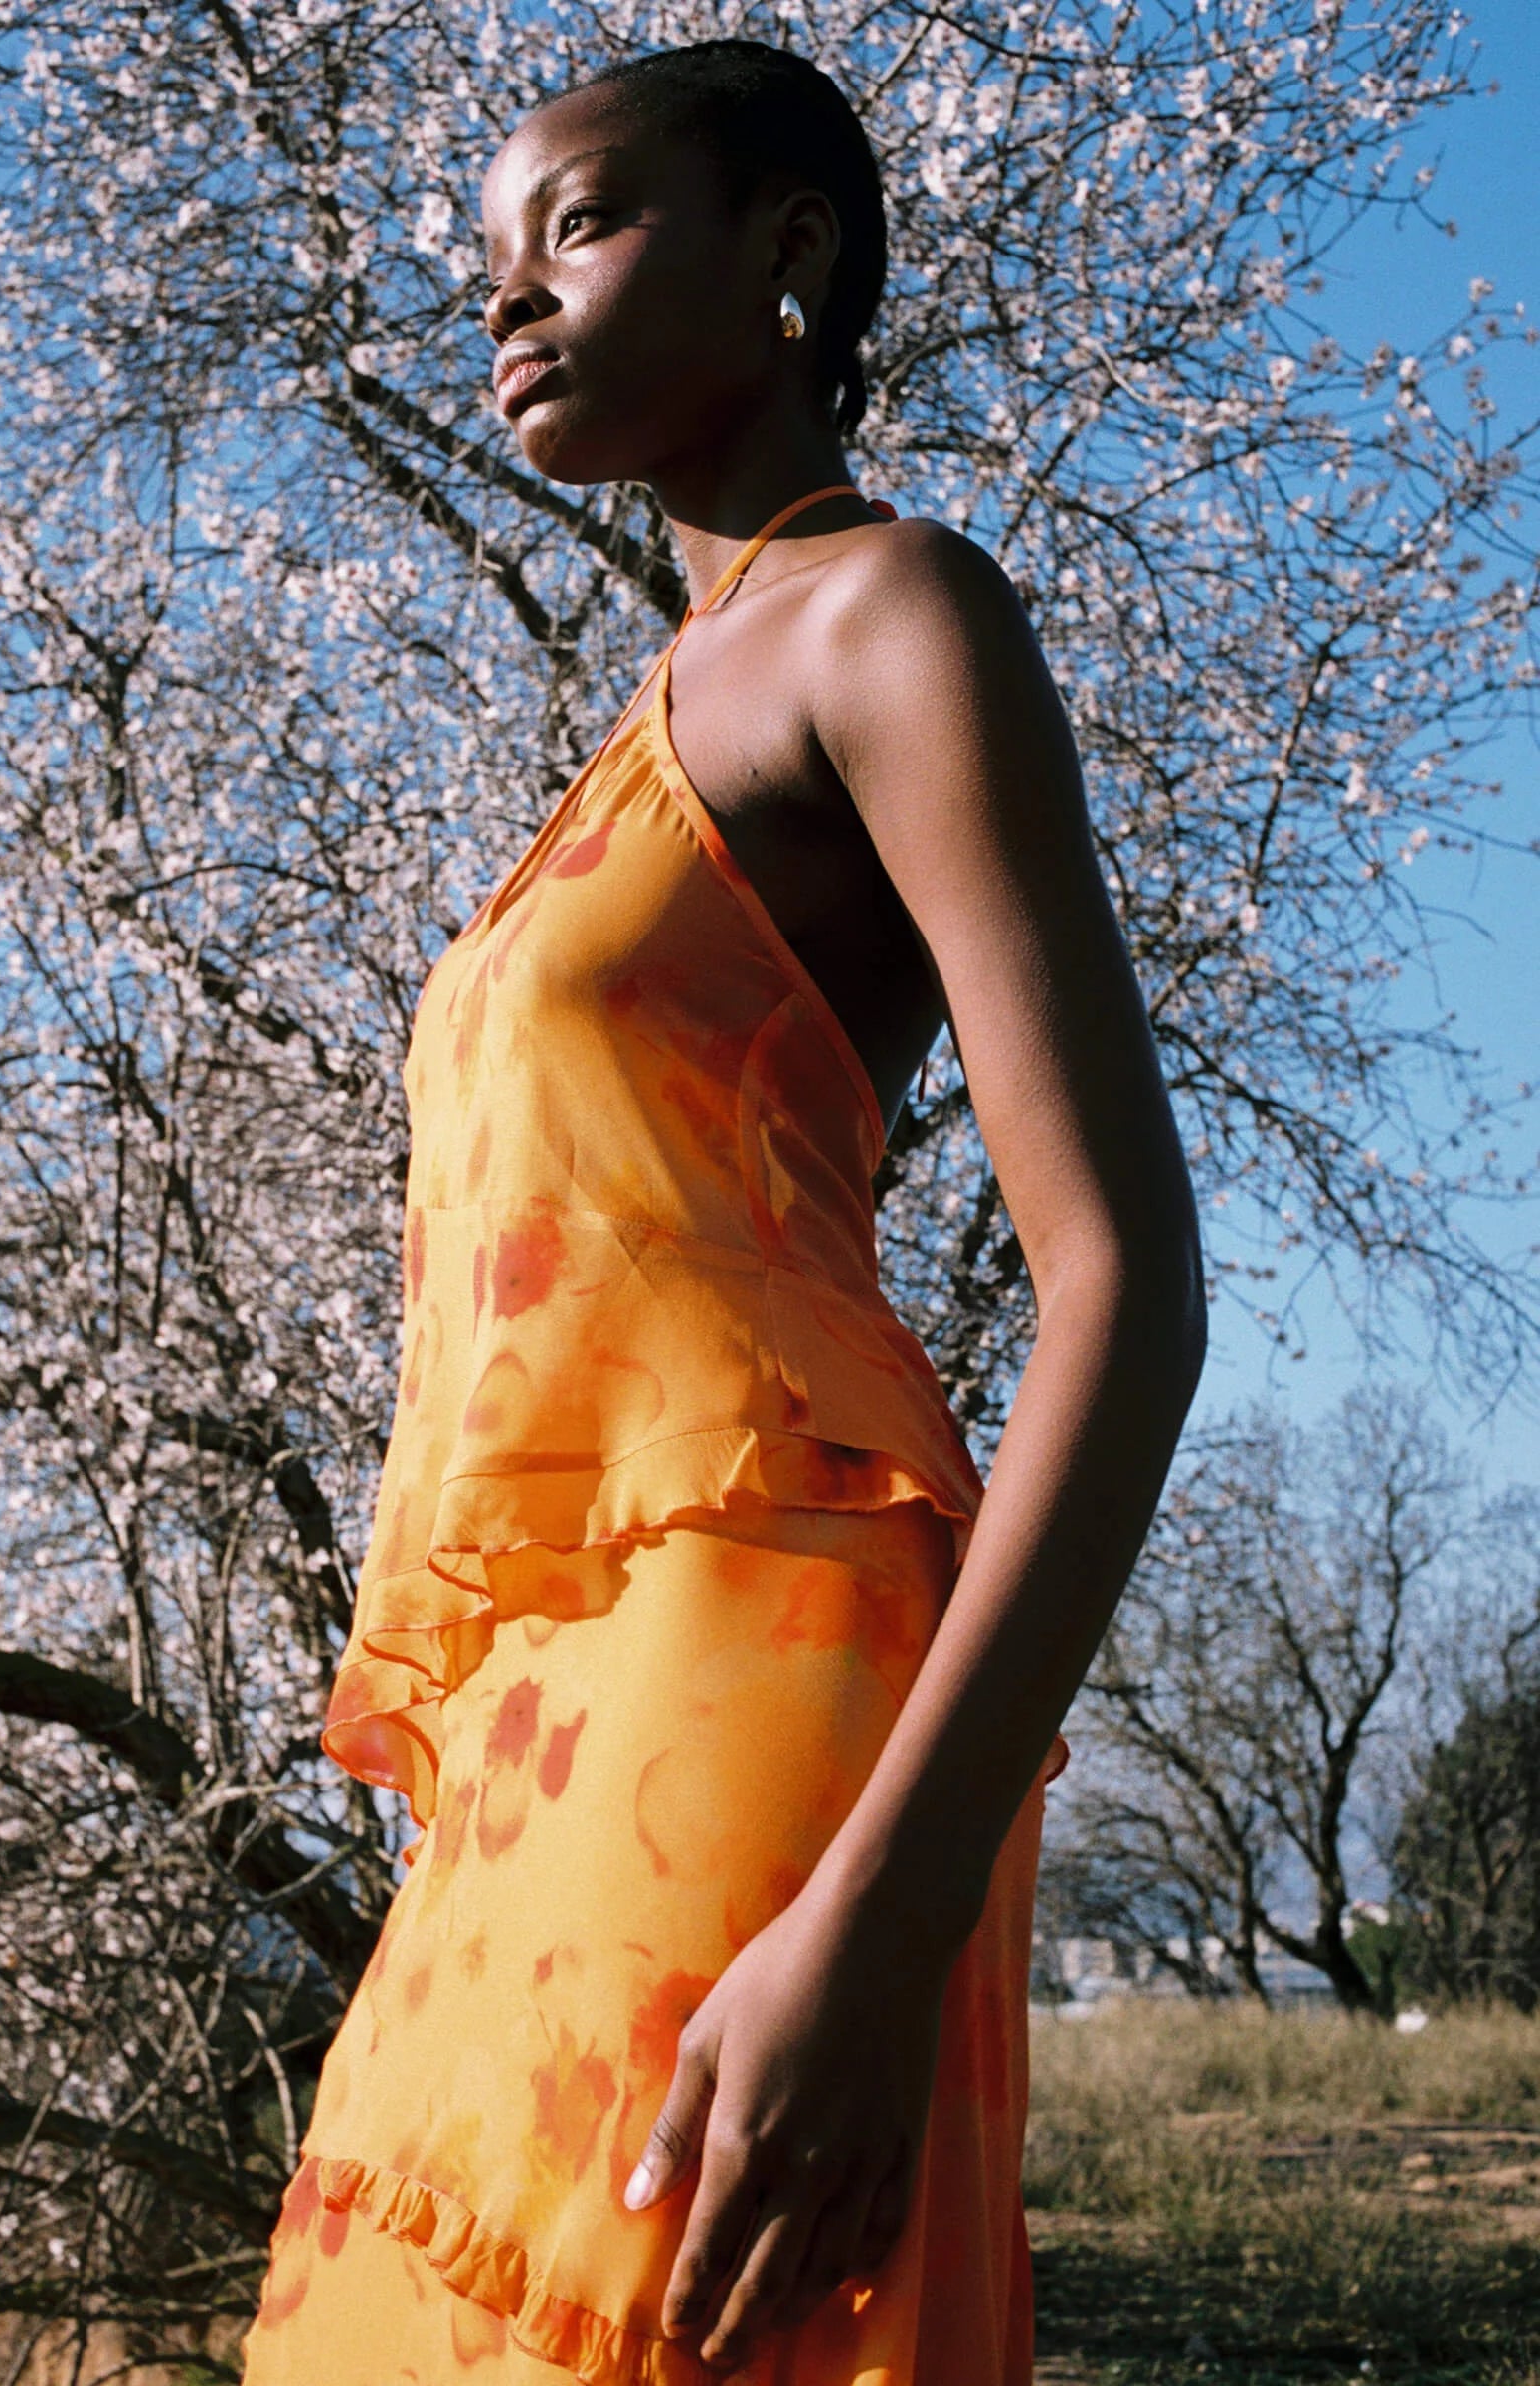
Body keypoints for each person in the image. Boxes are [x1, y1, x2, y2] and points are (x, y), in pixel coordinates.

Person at [240, 36, 1204, 2386]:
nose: (509, 296)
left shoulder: (887, 618)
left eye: (578, 223)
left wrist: (882, 1917)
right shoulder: (650, 717)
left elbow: (1122, 1278)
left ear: (788, 251)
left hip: (767, 1662)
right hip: (548, 1723)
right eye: (489, 258)